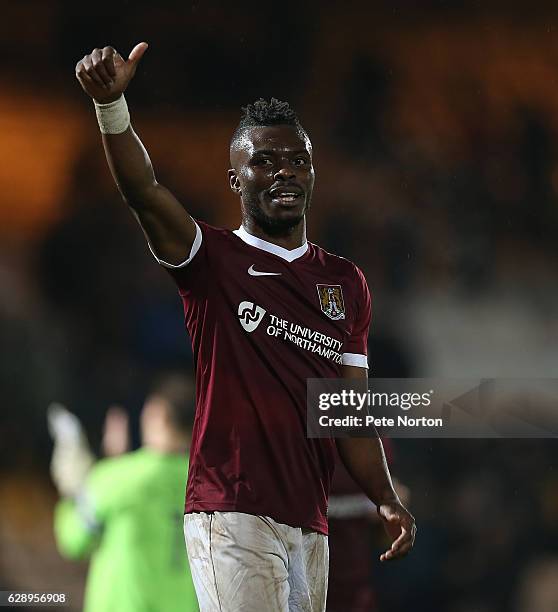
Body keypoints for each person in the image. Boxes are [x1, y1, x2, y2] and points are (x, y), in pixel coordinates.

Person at [74, 42, 416, 612]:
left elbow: (348, 411)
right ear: (236, 181)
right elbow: (145, 193)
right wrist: (113, 108)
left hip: (311, 519)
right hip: (230, 508)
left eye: (297, 159)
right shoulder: (213, 260)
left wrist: (384, 497)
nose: (284, 171)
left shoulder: (345, 281)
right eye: (263, 161)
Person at [50, 374, 198, 612]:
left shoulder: (117, 478)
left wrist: (74, 489)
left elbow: (73, 540)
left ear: (157, 415)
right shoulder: (213, 486)